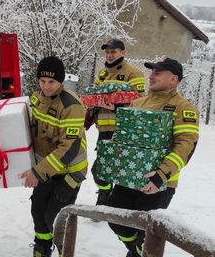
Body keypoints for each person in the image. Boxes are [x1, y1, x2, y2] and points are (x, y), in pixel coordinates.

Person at [107, 58, 199, 257]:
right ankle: (136, 250)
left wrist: (161, 175)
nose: (151, 75)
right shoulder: (136, 103)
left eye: (158, 72)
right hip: (127, 178)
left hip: (157, 184)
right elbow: (123, 137)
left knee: (146, 232)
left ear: (173, 79)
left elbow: (185, 146)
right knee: (115, 220)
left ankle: (139, 251)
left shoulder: (184, 108)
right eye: (152, 71)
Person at [20, 56, 88, 257]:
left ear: (61, 81)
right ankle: (42, 247)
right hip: (47, 169)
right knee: (38, 211)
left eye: (51, 82)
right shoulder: (36, 98)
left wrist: (38, 173)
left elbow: (68, 148)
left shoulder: (71, 105)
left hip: (69, 172)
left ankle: (64, 251)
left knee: (55, 219)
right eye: (42, 81)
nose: (46, 86)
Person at [86, 39, 146, 206]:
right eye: (107, 52)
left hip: (123, 131)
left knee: (103, 169)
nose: (110, 55)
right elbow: (96, 97)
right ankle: (105, 193)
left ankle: (107, 198)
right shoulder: (102, 74)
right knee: (102, 170)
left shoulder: (134, 73)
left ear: (123, 52)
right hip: (103, 129)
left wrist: (115, 105)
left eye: (114, 51)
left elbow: (141, 101)